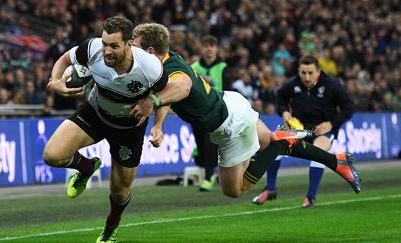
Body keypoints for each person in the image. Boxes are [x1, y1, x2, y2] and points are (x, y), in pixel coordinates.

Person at [131, 23, 361, 205]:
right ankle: (336, 161)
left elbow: (181, 87)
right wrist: (158, 125)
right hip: (232, 102)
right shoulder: (167, 60)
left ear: (150, 51)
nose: (131, 50)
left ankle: (281, 146)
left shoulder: (174, 71)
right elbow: (166, 90)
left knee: (234, 190)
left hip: (228, 126)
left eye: (135, 46)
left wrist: (152, 101)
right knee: (268, 140)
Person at [43, 16, 170, 243]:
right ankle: (87, 166)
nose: (107, 51)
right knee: (52, 155)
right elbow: (64, 59)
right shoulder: (91, 49)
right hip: (95, 113)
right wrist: (56, 80)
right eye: (104, 43)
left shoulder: (150, 68)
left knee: (119, 191)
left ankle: (112, 226)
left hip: (129, 128)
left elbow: (165, 95)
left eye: (114, 46)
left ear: (129, 44)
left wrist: (158, 125)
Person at [252, 55, 355, 208]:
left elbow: (349, 107)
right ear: (299, 71)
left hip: (322, 131)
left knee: (318, 151)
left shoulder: (332, 85)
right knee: (275, 146)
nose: (306, 77)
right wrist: (284, 112)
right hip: (299, 130)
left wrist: (331, 123)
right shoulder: (293, 83)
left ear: (318, 71)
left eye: (310, 73)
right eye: (303, 73)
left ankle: (310, 198)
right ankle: (270, 188)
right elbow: (280, 97)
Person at [190, 35, 232, 192]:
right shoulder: (193, 67)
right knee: (201, 148)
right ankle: (214, 173)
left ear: (216, 49)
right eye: (206, 45)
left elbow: (228, 91)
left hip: (216, 112)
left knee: (210, 144)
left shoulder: (223, 68)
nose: (209, 48)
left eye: (211, 45)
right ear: (201, 48)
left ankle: (208, 177)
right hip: (197, 113)